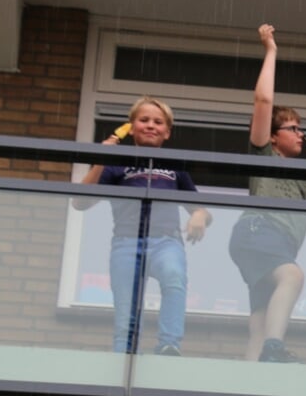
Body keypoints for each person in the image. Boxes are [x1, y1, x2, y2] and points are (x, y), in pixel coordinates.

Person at [231, 24, 306, 363]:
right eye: (293, 128)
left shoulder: (304, 182)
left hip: (275, 243)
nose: (301, 134)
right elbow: (263, 100)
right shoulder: (263, 155)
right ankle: (274, 349)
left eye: (301, 128)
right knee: (292, 275)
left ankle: (251, 382)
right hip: (260, 231)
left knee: (260, 320)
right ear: (275, 136)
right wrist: (271, 51)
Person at [73, 97, 212, 356]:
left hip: (166, 241)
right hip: (126, 242)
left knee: (174, 277)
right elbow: (81, 202)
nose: (151, 125)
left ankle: (169, 344)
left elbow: (200, 207)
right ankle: (123, 358)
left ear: (167, 132)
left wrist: (199, 216)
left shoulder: (174, 166)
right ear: (131, 127)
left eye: (158, 122)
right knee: (126, 309)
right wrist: (100, 159)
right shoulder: (116, 163)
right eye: (144, 120)